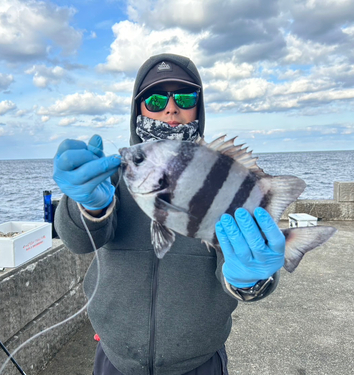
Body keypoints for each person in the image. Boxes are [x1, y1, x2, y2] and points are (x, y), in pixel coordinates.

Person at [53, 53, 285, 375]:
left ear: (197, 109)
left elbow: (242, 266)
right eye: (157, 98)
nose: (171, 108)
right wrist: (90, 206)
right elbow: (77, 241)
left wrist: (252, 279)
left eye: (185, 97)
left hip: (200, 362)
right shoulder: (117, 176)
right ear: (138, 108)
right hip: (115, 360)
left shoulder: (218, 174)